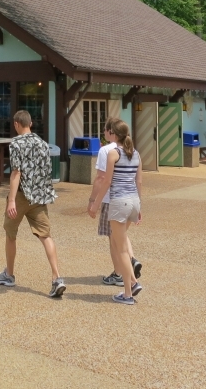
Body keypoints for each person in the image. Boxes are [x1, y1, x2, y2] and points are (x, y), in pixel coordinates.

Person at [0, 110, 65, 298]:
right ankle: (56, 277)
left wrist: (11, 200)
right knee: (45, 235)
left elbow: (16, 172)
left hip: (22, 195)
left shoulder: (16, 143)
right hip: (39, 196)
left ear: (16, 124)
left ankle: (9, 274)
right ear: (30, 124)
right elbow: (46, 170)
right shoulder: (42, 143)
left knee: (11, 234)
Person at [87, 119, 143, 304]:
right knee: (122, 243)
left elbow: (107, 181)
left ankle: (129, 291)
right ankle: (131, 284)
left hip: (119, 202)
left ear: (114, 134)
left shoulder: (113, 153)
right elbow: (139, 181)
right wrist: (140, 206)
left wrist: (95, 204)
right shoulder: (136, 154)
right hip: (133, 201)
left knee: (121, 249)